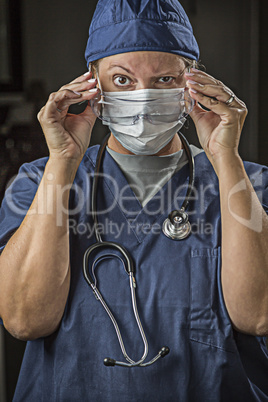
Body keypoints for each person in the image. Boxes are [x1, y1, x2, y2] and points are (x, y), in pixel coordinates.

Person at [0, 0, 268, 400]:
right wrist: (63, 160)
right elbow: (24, 320)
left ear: (191, 82)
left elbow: (259, 314)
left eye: (164, 80)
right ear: (93, 85)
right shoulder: (39, 182)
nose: (143, 99)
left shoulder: (251, 185)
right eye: (122, 80)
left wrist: (225, 157)